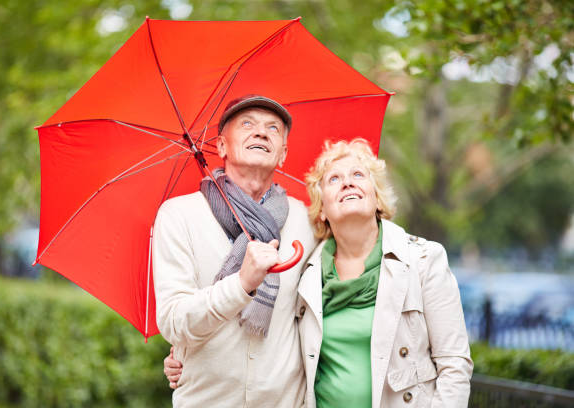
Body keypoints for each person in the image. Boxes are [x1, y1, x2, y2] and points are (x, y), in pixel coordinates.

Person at [166, 139, 473, 407]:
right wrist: (182, 353)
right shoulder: (308, 270)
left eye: (358, 175)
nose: (348, 183)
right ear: (322, 209)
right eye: (334, 179)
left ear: (376, 197)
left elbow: (454, 365)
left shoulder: (422, 260)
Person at [152, 95, 316, 407]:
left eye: (273, 128)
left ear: (283, 154)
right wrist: (241, 284)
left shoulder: (308, 222)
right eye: (247, 124)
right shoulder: (179, 216)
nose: (261, 132)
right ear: (223, 146)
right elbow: (174, 322)